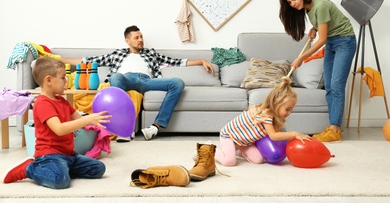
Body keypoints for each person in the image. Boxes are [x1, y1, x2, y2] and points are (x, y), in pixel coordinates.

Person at [63, 25, 215, 141]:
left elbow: (177, 61)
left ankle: (156, 127)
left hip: (146, 81)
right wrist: (60, 60)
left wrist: (201, 60)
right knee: (116, 77)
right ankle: (122, 129)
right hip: (124, 78)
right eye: (136, 37)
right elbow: (87, 61)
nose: (141, 40)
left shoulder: (151, 53)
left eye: (141, 37)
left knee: (177, 82)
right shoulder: (117, 54)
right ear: (127, 40)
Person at [2, 56, 111, 189]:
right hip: (49, 155)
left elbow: (80, 119)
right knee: (60, 181)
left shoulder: (62, 101)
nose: (66, 80)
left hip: (70, 155)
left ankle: (62, 169)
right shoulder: (42, 103)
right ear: (48, 80)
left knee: (98, 168)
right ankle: (30, 168)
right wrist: (87, 120)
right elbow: (59, 129)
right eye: (63, 77)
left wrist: (99, 120)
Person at [279, 0, 356, 142]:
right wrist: (314, 29)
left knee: (336, 85)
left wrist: (301, 58)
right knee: (328, 86)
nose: (293, 4)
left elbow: (322, 40)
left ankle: (335, 129)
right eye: (290, 2)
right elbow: (324, 30)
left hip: (344, 42)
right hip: (332, 43)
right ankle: (332, 127)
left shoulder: (320, 6)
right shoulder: (308, 10)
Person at [215, 77, 311, 166]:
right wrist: (294, 133)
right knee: (229, 162)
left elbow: (280, 133)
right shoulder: (266, 114)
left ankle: (235, 150)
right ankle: (209, 149)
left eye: (291, 109)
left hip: (244, 142)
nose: (290, 112)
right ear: (276, 104)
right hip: (229, 136)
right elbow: (273, 136)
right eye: (287, 109)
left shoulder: (274, 116)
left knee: (258, 160)